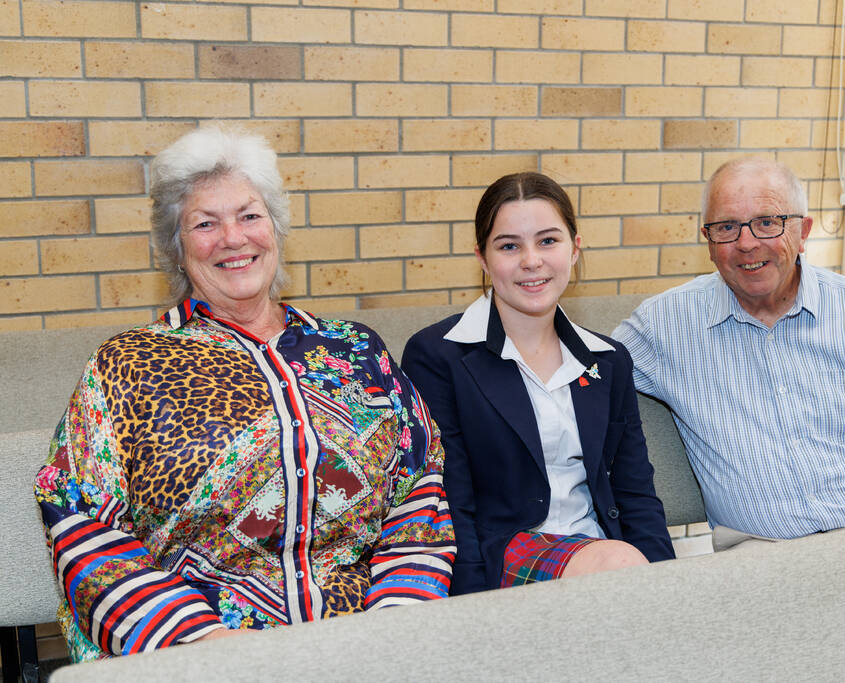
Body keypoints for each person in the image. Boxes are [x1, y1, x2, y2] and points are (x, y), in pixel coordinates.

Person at [34, 126, 455, 661]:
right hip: (196, 648)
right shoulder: (127, 365)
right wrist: (201, 639)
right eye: (205, 224)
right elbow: (76, 511)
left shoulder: (354, 349)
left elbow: (419, 485)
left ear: (275, 228)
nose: (233, 238)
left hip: (361, 637)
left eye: (249, 216)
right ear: (177, 248)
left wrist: (398, 618)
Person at [613, 157, 845, 551]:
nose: (747, 243)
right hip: (764, 551)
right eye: (727, 227)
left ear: (803, 232)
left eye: (768, 222)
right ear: (709, 242)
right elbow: (580, 374)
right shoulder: (663, 326)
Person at [402, 172, 674, 595]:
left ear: (574, 248)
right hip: (503, 557)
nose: (531, 260)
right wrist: (469, 611)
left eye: (548, 241)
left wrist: (671, 588)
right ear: (482, 258)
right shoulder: (438, 356)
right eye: (509, 246)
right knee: (617, 566)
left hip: (604, 555)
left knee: (627, 572)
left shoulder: (608, 359)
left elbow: (634, 491)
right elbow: (449, 501)